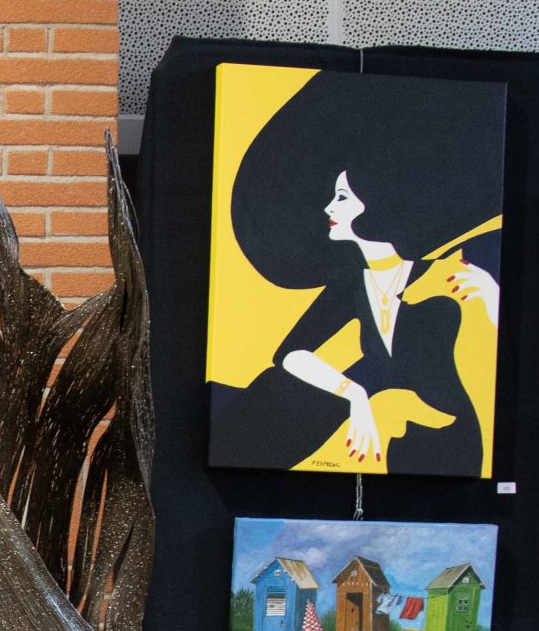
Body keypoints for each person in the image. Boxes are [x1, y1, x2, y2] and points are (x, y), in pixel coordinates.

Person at [211, 70, 503, 474]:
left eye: (342, 197)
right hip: (393, 434)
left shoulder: (448, 270)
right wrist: (354, 394)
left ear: (375, 202)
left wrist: (493, 296)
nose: (329, 208)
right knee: (271, 392)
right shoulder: (350, 284)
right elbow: (290, 355)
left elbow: (497, 353)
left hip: (452, 438)